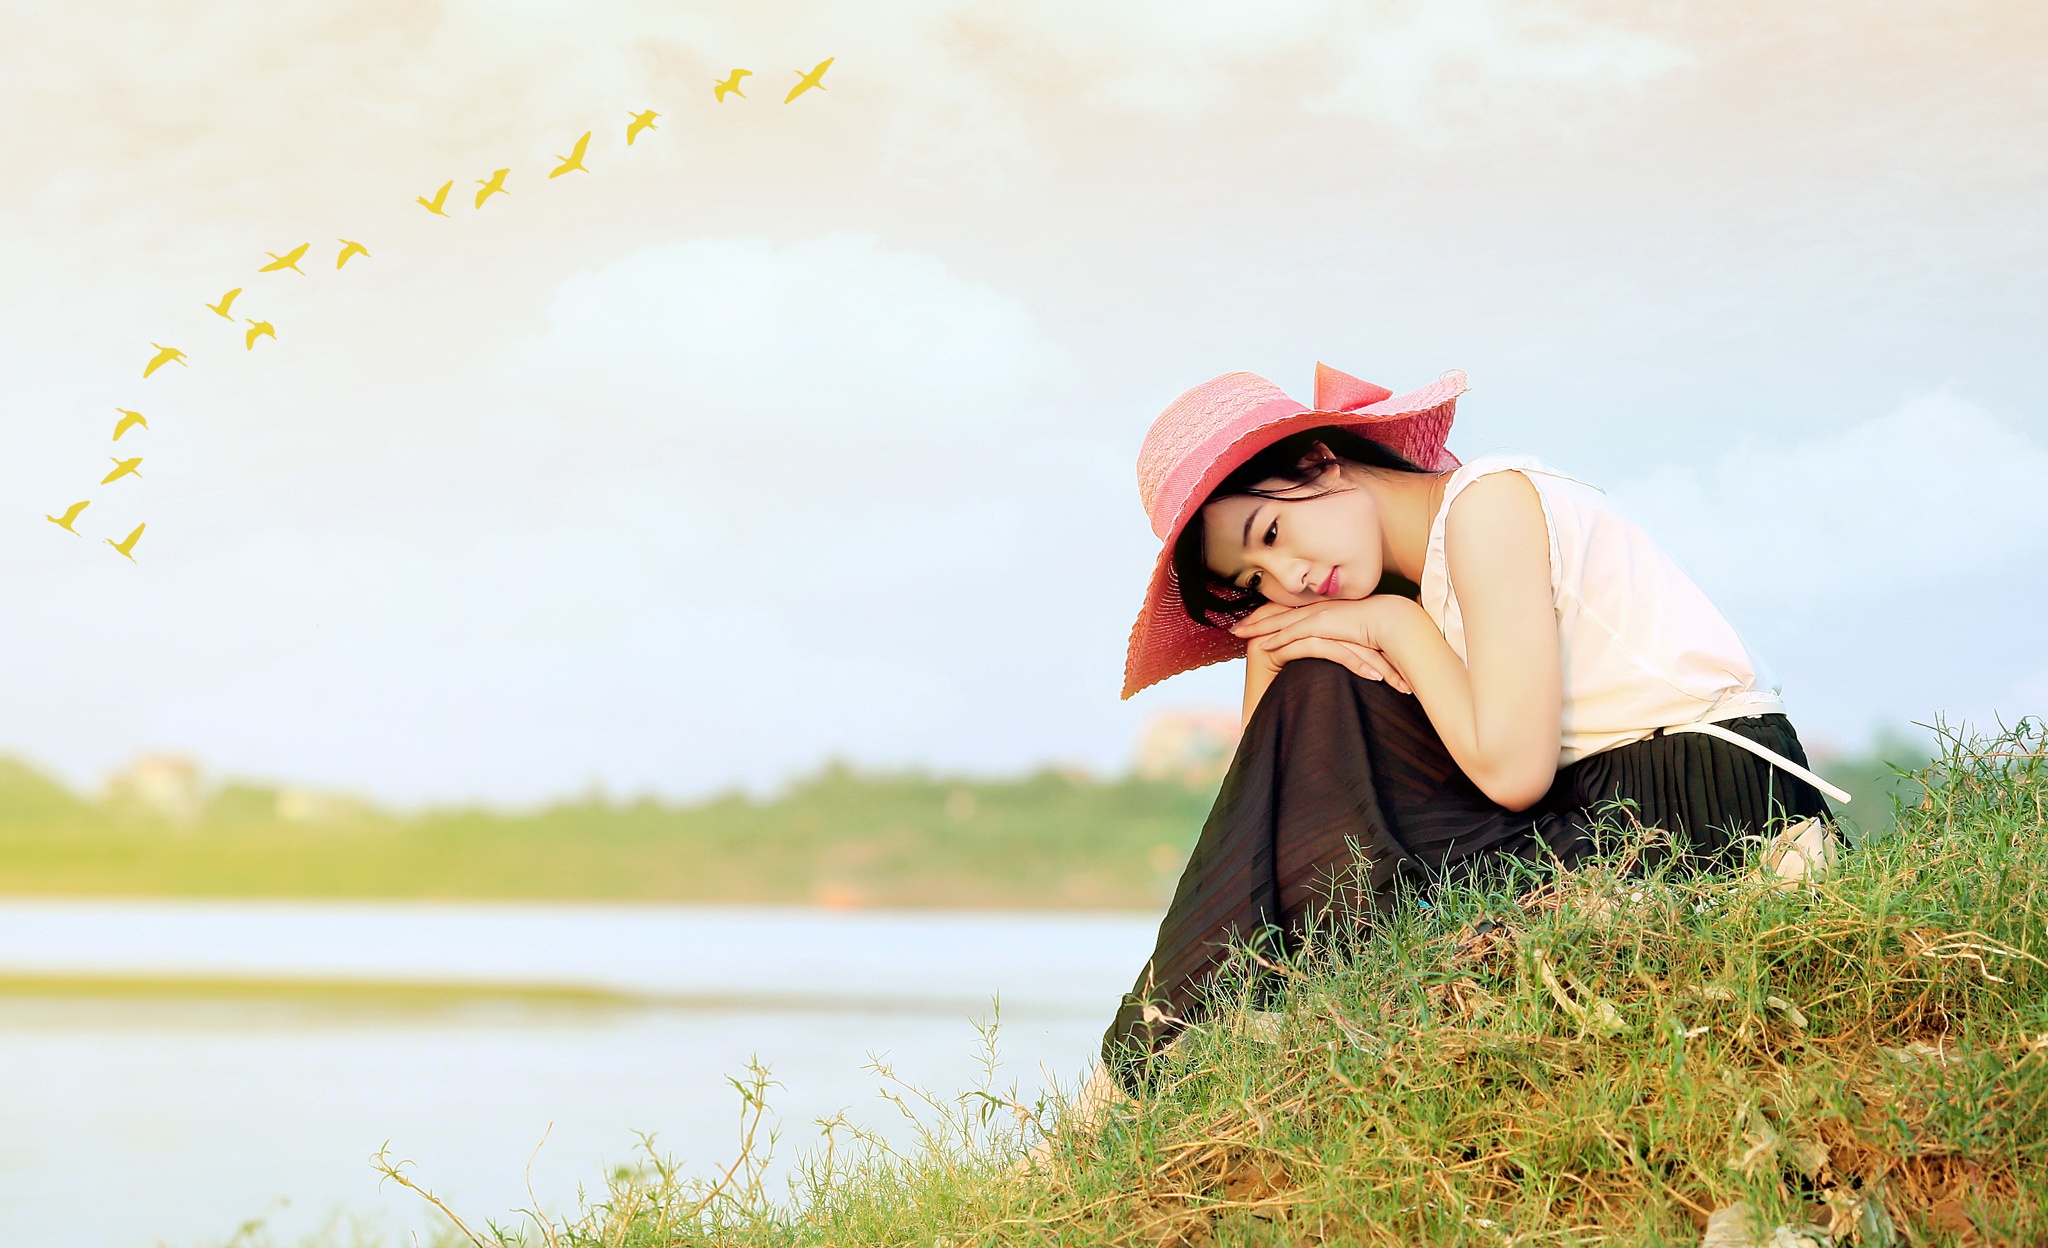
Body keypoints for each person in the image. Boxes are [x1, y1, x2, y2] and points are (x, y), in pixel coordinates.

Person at [1094, 364, 1843, 1098]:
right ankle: (1198, 1037)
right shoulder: (1415, 576)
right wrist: (1270, 648)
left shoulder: (1487, 507)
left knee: (1321, 687)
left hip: (1701, 797)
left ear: (1321, 462)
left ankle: (1139, 1069)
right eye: (1254, 580)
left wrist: (1392, 622)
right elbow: (1269, 792)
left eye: (1272, 531)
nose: (1285, 577)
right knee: (1315, 681)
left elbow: (1514, 773)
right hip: (1593, 803)